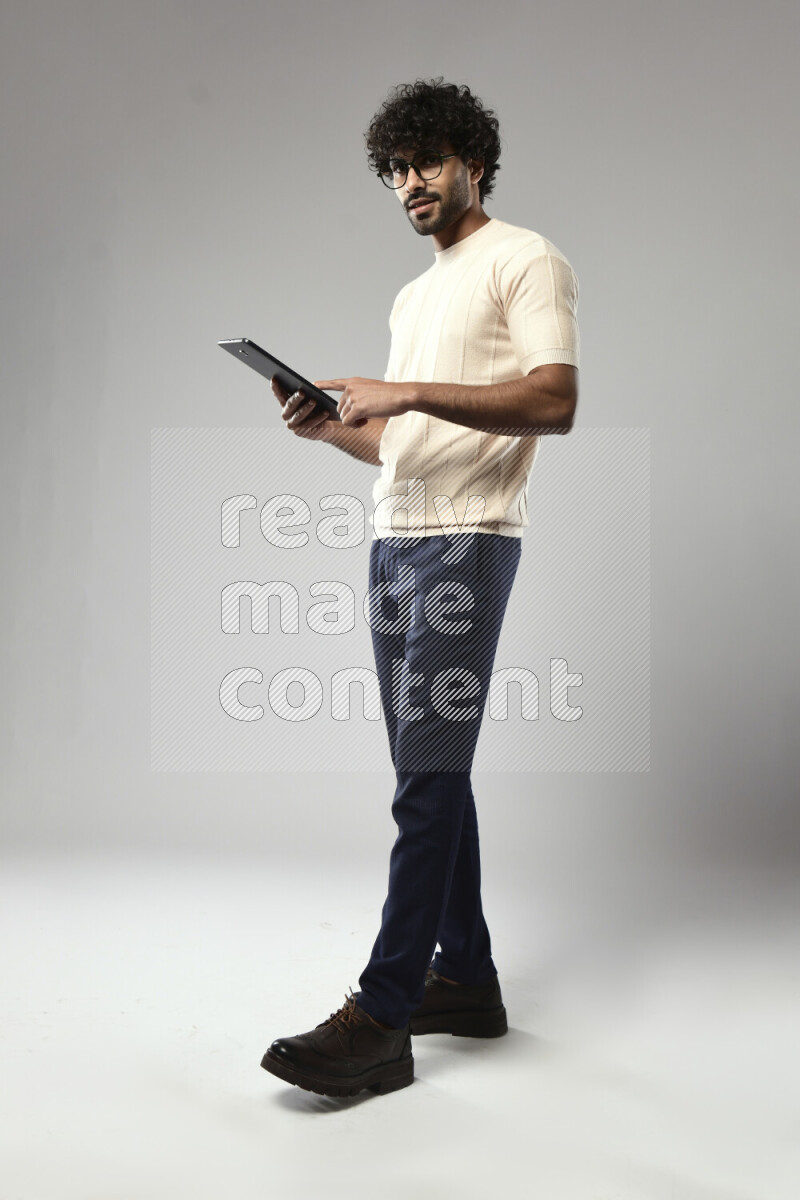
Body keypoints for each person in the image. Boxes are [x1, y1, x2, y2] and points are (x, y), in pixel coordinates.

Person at [261, 78, 580, 1098]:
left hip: (463, 547)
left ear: (472, 161)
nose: (410, 183)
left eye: (427, 162)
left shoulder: (525, 259)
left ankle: (384, 1012)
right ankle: (468, 983)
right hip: (394, 543)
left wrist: (400, 390)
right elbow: (406, 444)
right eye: (397, 170)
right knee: (428, 767)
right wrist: (338, 428)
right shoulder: (413, 295)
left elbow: (553, 400)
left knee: (425, 782)